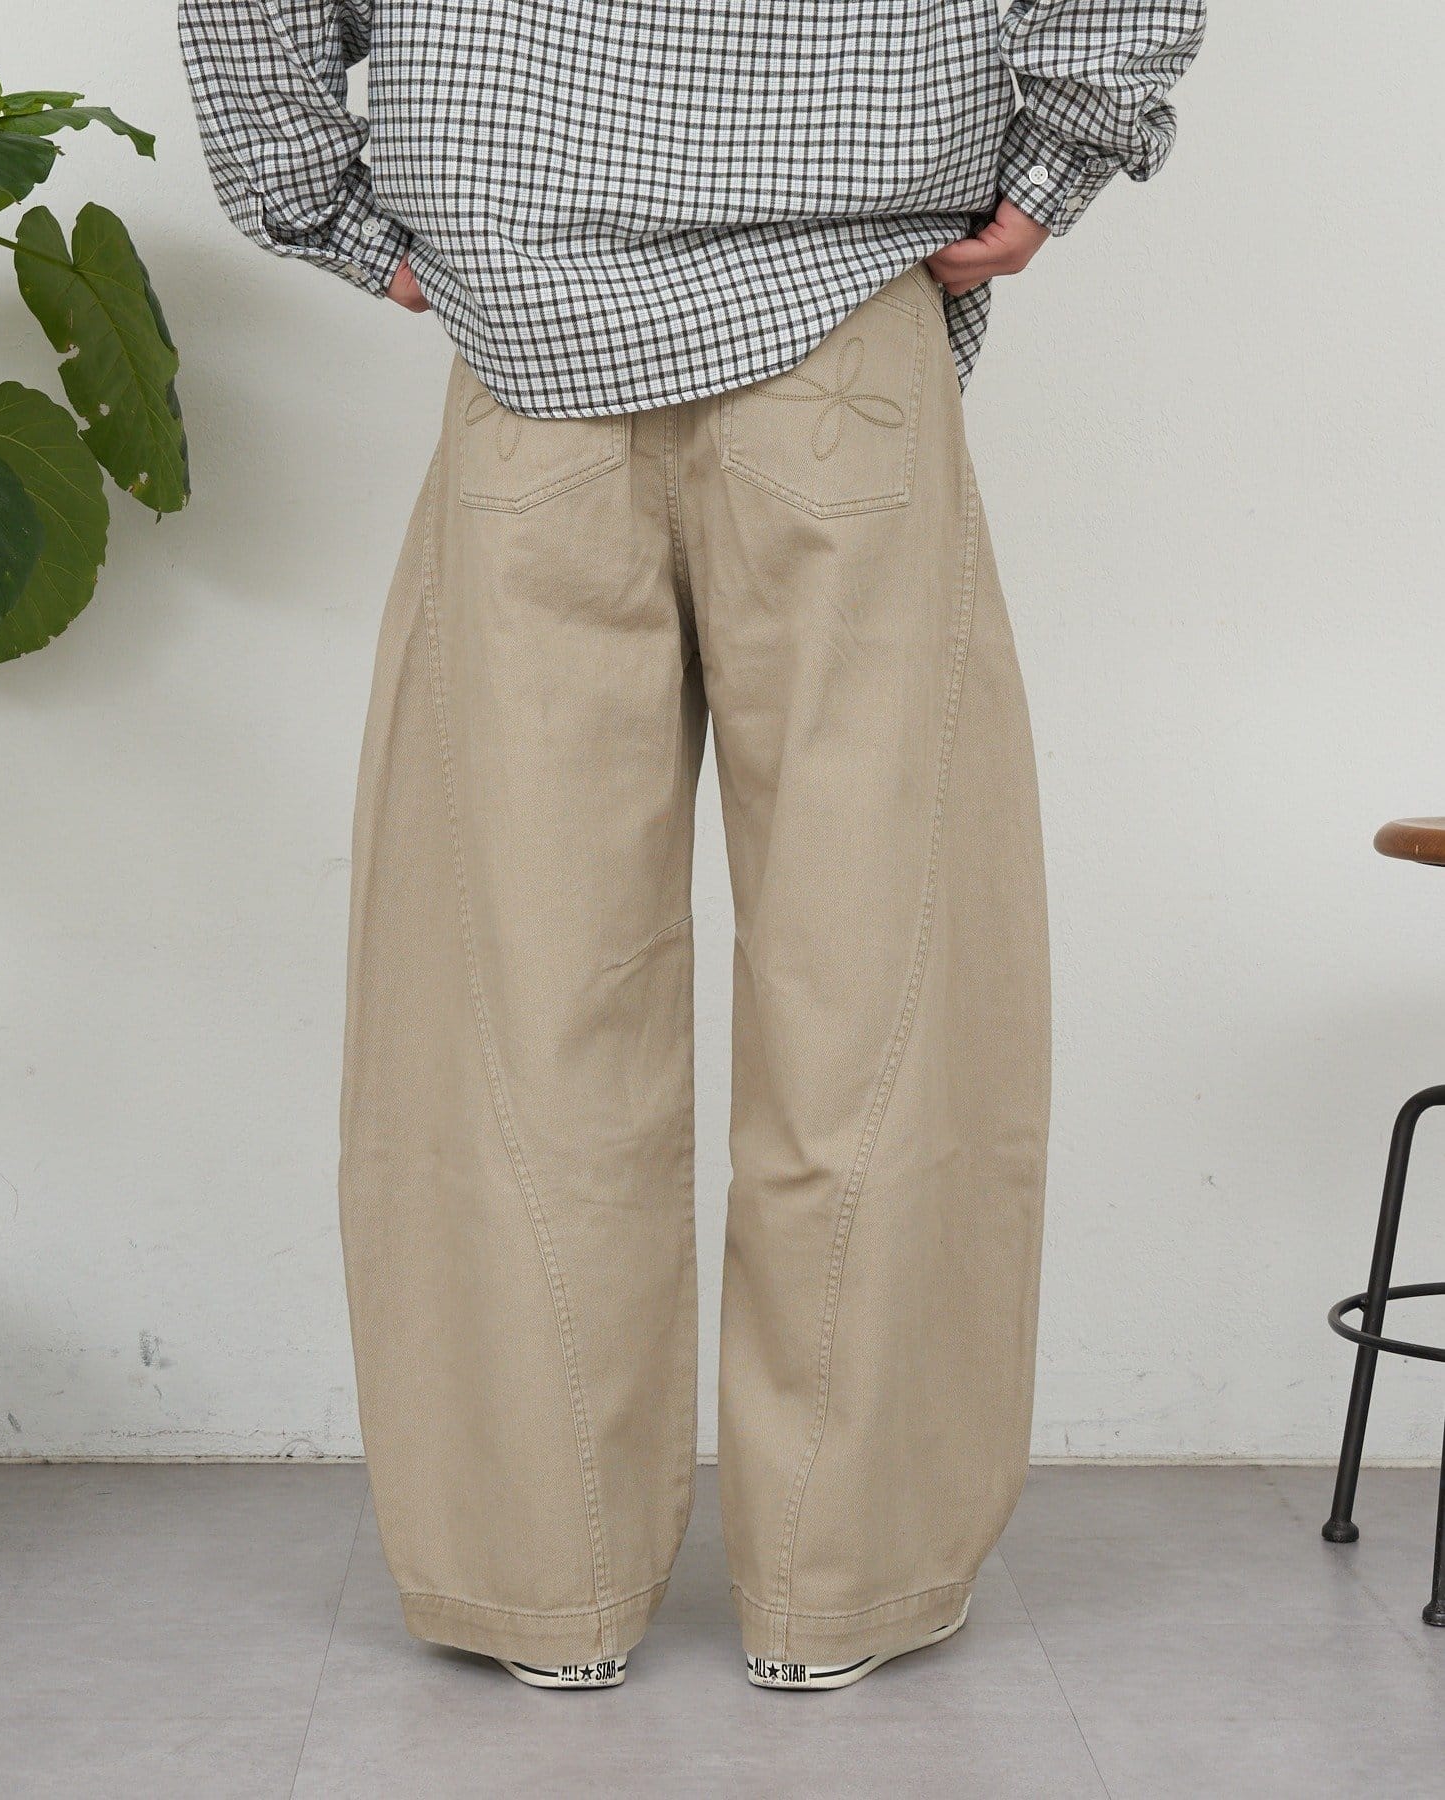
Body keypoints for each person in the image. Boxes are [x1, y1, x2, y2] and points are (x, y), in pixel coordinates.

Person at [179, 0, 1204, 1692]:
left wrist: (335, 211)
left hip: (530, 349)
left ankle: (544, 1583)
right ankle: (842, 1589)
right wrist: (1055, 163)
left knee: (515, 1000)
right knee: (886, 985)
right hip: (846, 328)